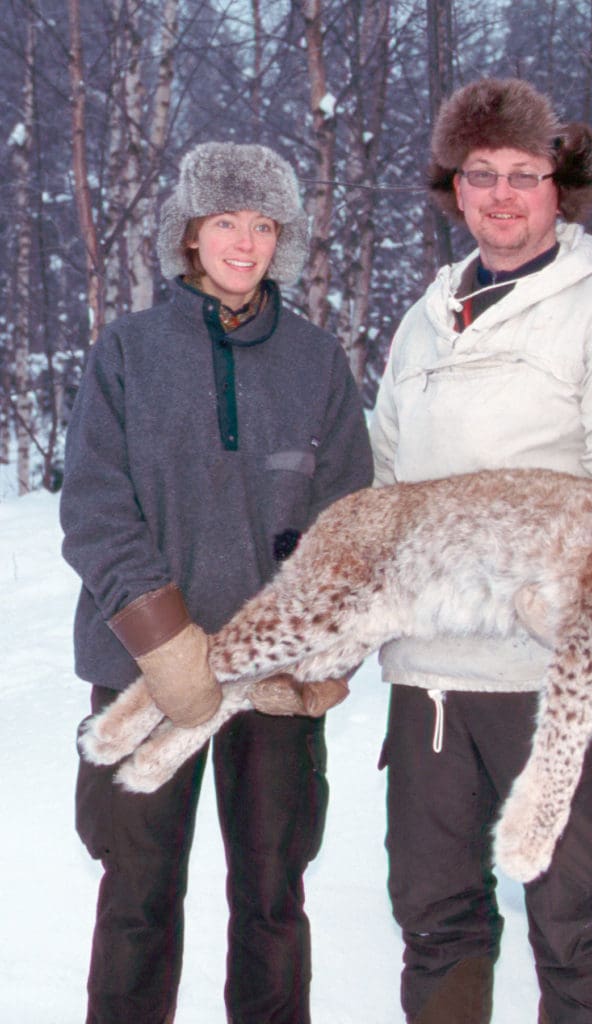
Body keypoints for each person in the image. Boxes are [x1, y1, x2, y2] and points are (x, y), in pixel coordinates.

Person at [369, 78, 592, 1024]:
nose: (501, 193)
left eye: (524, 175)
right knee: (435, 917)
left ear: (559, 189)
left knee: (573, 915)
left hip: (549, 679)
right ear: (454, 189)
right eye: (481, 174)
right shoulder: (422, 323)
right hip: (427, 683)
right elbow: (385, 486)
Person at [61, 141, 374, 1024]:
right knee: (137, 899)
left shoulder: (317, 363)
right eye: (226, 221)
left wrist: (330, 648)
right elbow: (93, 509)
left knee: (274, 897)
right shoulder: (125, 352)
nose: (245, 241)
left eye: (264, 224)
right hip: (144, 676)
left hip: (271, 682)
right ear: (190, 234)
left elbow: (350, 523)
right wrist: (165, 644)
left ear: (285, 239)